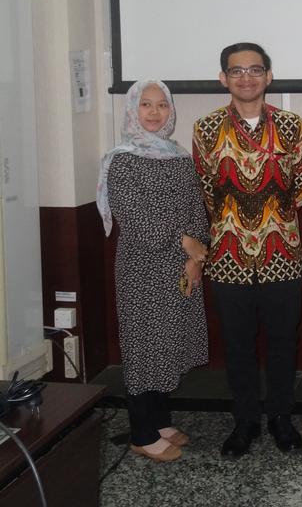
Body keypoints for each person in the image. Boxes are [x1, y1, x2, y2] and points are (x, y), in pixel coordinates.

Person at [193, 42, 302, 459]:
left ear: (269, 76)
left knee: (283, 341)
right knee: (238, 344)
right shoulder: (206, 128)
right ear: (223, 78)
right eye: (236, 71)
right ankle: (244, 420)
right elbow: (205, 190)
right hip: (227, 256)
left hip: (283, 252)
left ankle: (281, 417)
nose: (246, 77)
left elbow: (300, 188)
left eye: (255, 69)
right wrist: (236, 226)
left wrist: (268, 224)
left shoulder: (293, 126)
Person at [97, 80, 209, 462]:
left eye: (162, 105)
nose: (154, 112)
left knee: (168, 345)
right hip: (142, 269)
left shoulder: (178, 156)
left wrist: (196, 258)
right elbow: (137, 221)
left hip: (180, 269)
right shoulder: (122, 160)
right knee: (145, 348)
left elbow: (197, 208)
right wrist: (185, 242)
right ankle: (141, 433)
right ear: (132, 110)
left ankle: (160, 422)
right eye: (145, 104)